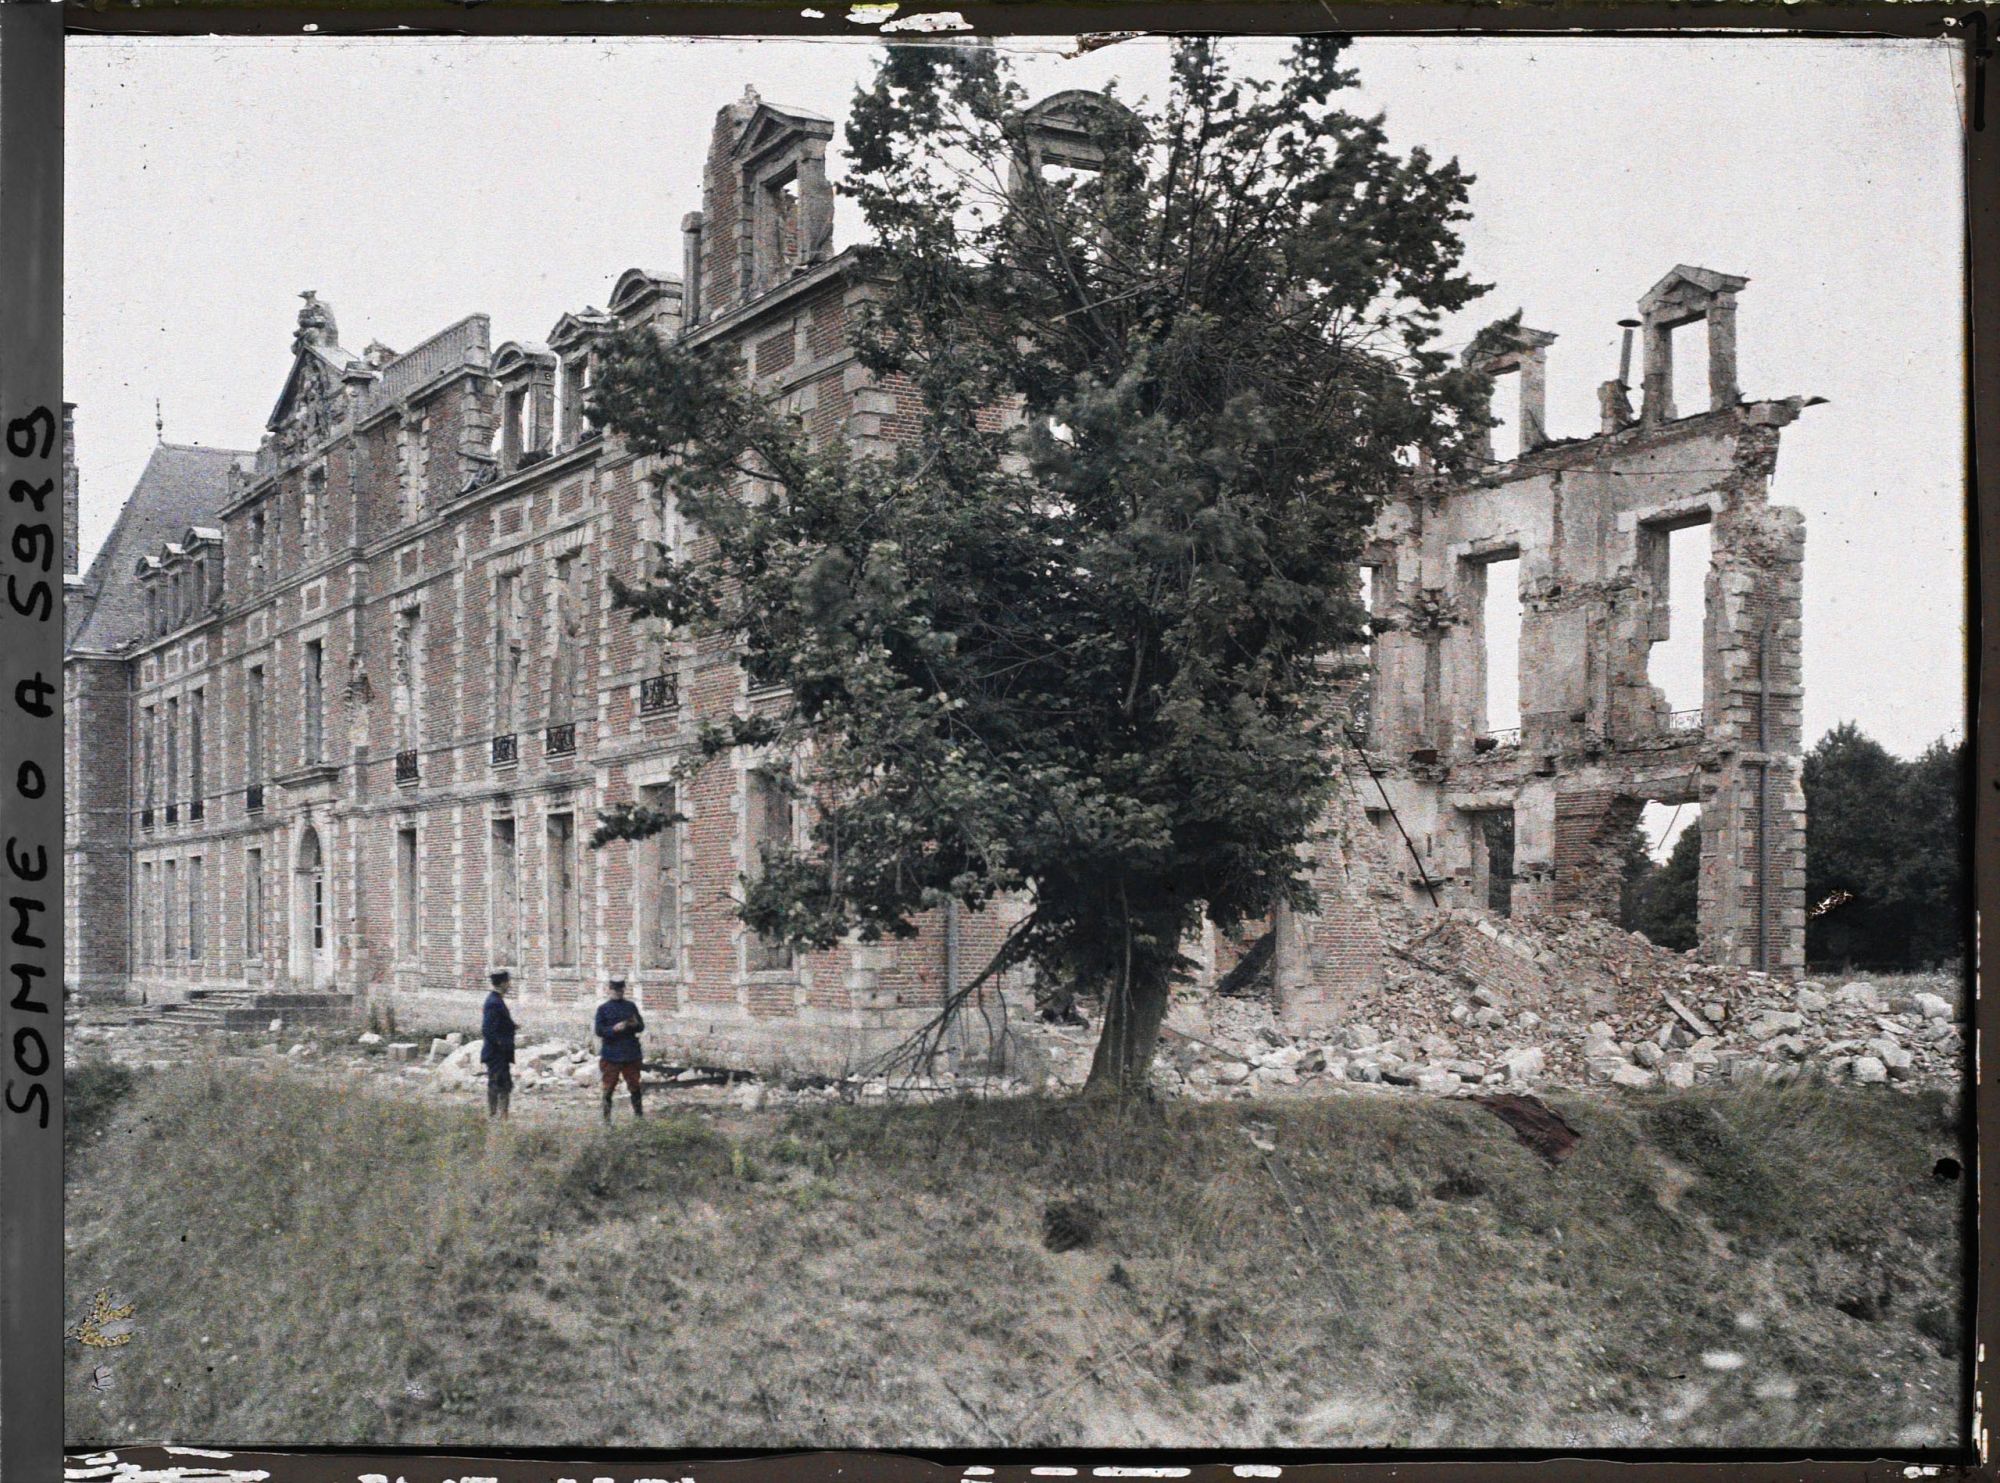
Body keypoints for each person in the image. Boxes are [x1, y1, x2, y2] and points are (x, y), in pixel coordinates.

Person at [594, 978, 645, 1123]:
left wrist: (634, 1025)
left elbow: (641, 1026)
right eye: (615, 990)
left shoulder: (630, 1006)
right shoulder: (603, 1009)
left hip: (630, 1054)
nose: (618, 993)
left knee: (635, 1087)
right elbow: (599, 1030)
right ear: (609, 990)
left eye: (620, 990)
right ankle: (607, 1121)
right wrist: (613, 1029)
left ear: (623, 990)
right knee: (608, 1088)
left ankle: (639, 1119)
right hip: (611, 1054)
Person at [481, 970, 516, 1120]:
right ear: (502, 983)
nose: (510, 985)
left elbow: (498, 1024)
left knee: (504, 1084)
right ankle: (495, 1115)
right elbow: (487, 1030)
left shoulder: (496, 1000)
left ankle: (501, 1115)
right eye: (508, 982)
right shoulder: (493, 1002)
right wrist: (501, 1043)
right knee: (497, 1084)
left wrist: (511, 1026)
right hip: (496, 1054)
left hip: (500, 1053)